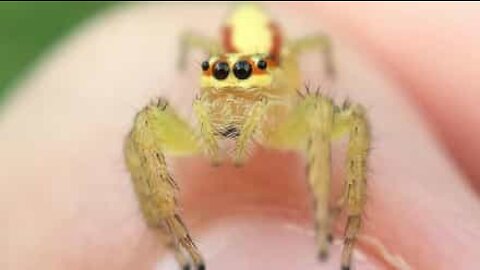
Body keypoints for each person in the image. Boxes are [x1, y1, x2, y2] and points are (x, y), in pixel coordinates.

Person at [1, 3, 479, 270]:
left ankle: (328, 226)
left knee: (344, 118)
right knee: (143, 126)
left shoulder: (293, 59)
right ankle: (171, 234)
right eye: (220, 74)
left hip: (281, 80)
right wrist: (162, 219)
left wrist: (330, 224)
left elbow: (337, 112)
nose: (234, 93)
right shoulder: (213, 67)